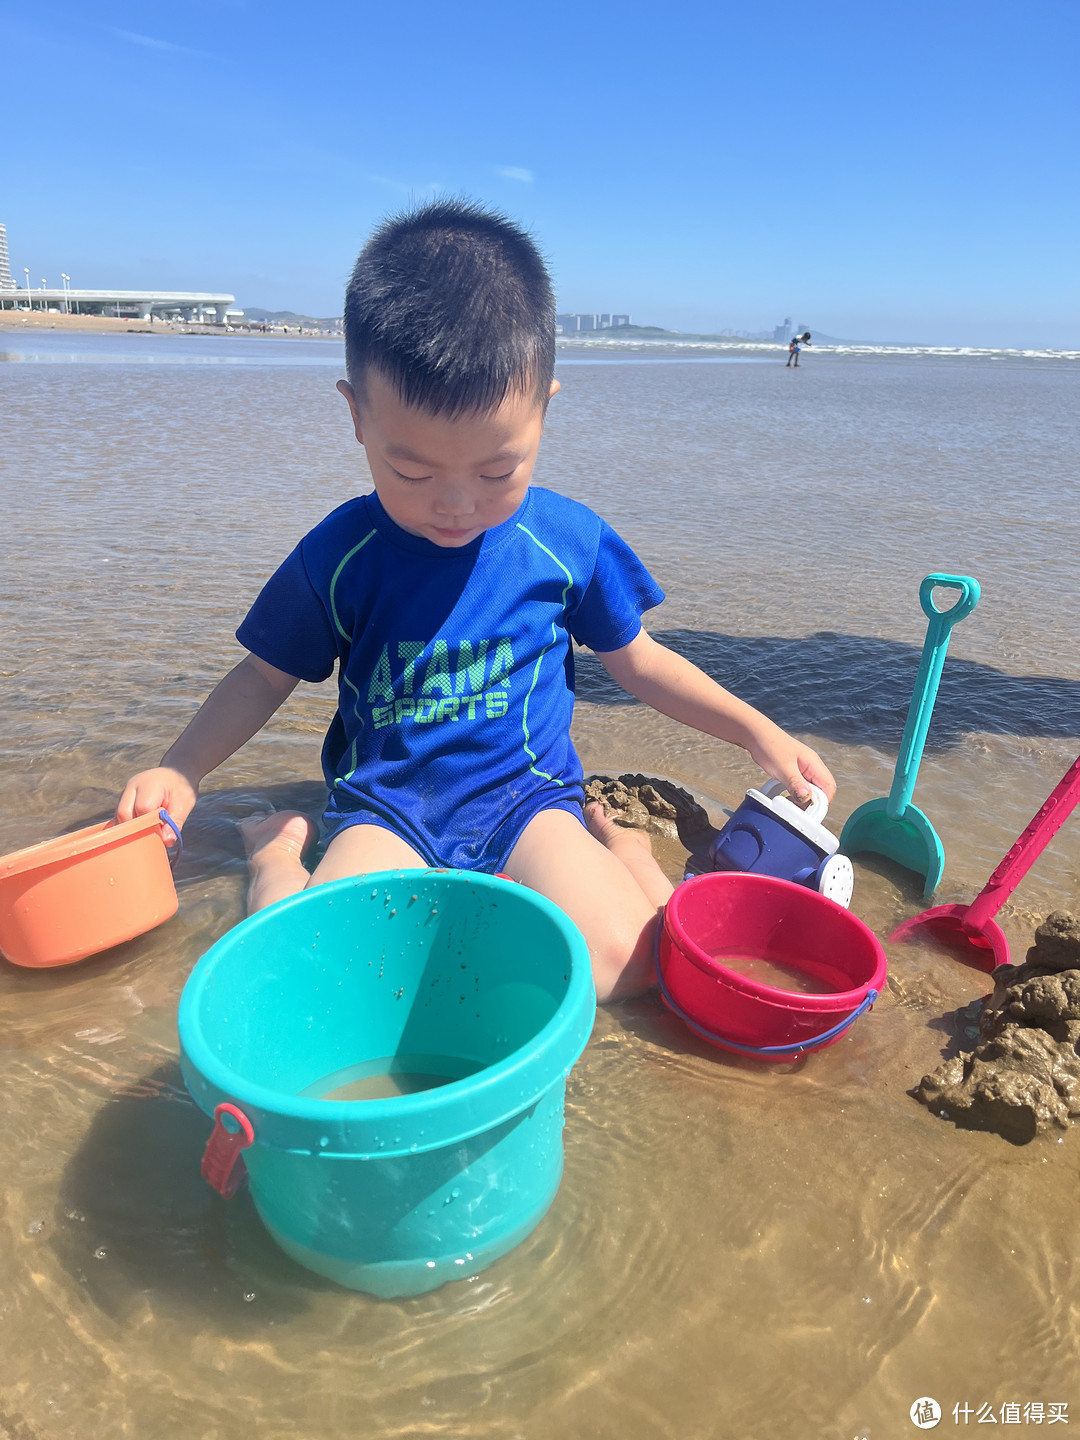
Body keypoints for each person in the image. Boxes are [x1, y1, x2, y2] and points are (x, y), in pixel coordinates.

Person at [116, 200, 835, 1002]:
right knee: (325, 980)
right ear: (356, 417)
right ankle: (275, 855)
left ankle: (624, 849)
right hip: (387, 810)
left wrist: (756, 731)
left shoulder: (566, 542)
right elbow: (262, 676)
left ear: (545, 410)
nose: (455, 504)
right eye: (413, 473)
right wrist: (182, 767)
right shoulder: (339, 555)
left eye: (498, 472)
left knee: (631, 974)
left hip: (526, 801)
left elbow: (639, 662)